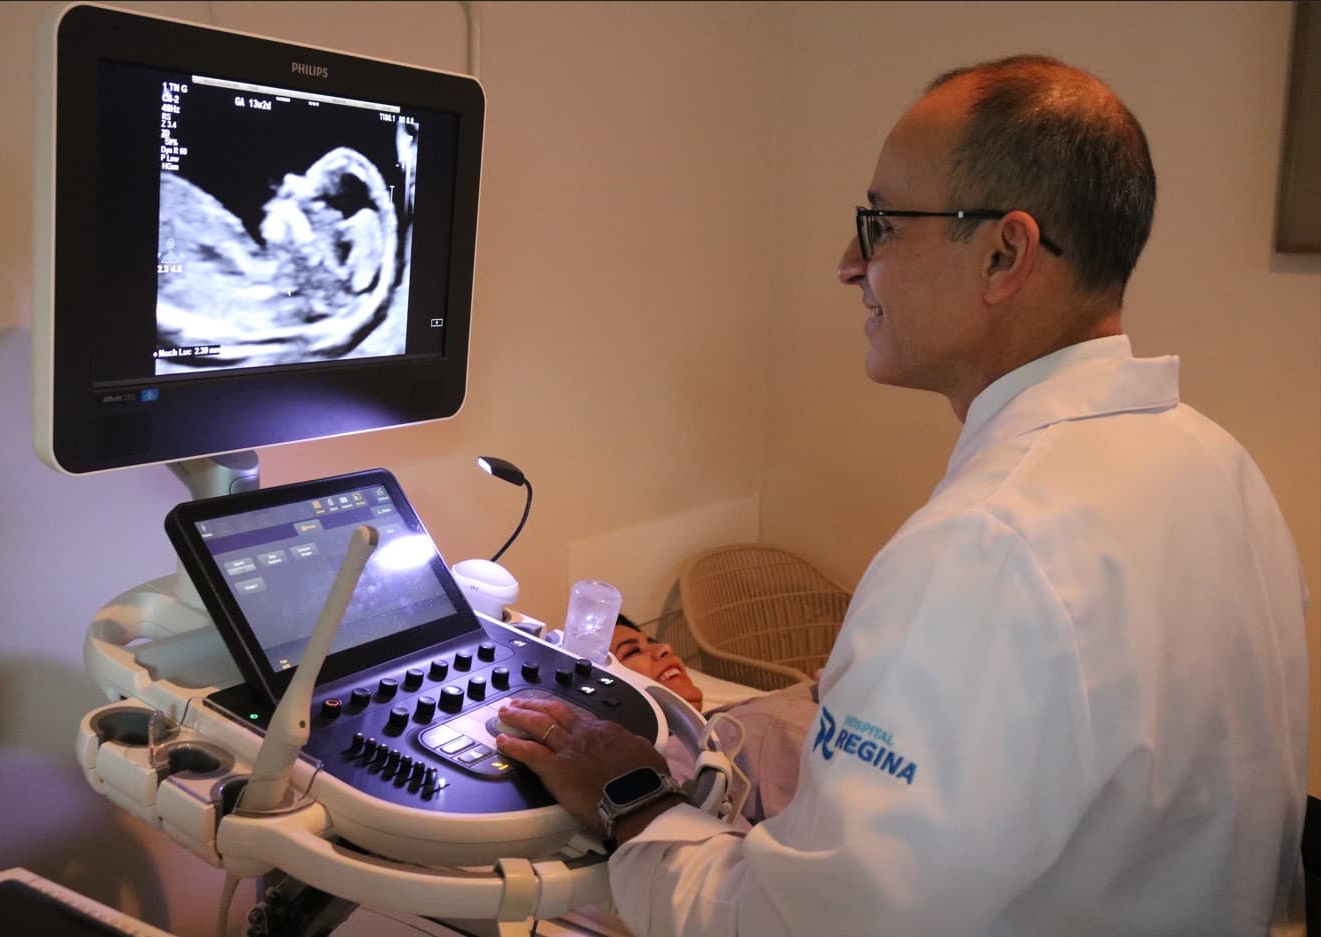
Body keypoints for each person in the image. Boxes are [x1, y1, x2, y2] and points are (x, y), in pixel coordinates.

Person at [496, 54, 1309, 935]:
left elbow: (802, 926)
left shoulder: (985, 546)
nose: (850, 264)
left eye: (880, 224)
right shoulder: (1218, 466)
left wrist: (634, 803)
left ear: (1004, 254)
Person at [609, 615, 819, 824]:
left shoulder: (720, 722)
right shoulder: (673, 766)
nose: (665, 648)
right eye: (632, 651)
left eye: (652, 642)